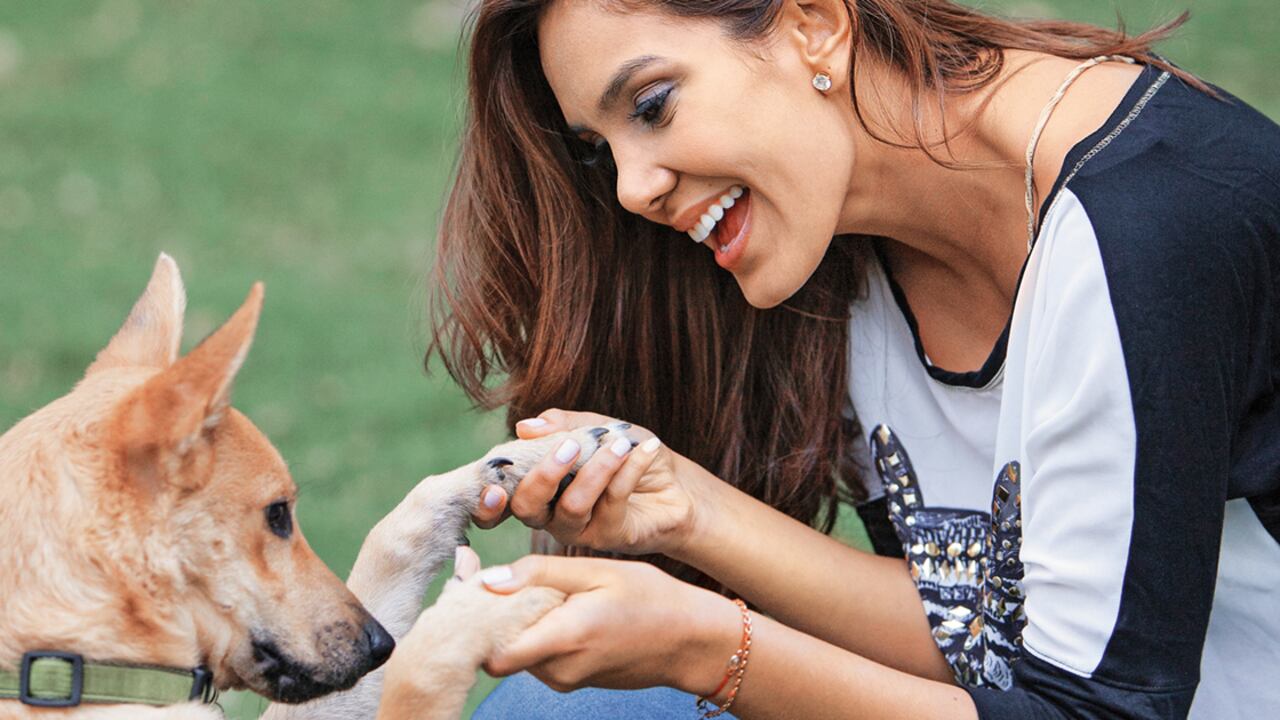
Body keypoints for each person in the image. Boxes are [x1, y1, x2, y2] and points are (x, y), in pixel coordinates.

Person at [422, 0, 1280, 717]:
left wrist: (707, 648)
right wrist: (687, 507)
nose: (631, 189)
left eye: (650, 106)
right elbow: (975, 638)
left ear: (813, 25)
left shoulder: (1151, 227)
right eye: (599, 149)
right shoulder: (837, 234)